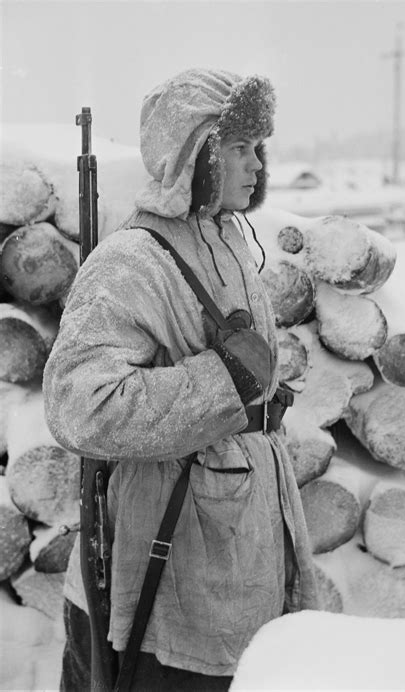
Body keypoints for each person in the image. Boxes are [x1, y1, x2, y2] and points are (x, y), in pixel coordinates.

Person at [43, 68, 318, 691]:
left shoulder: (228, 239)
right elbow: (78, 407)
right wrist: (223, 382)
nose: (256, 164)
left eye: (258, 148)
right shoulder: (130, 260)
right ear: (195, 151)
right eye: (239, 147)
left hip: (235, 548)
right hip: (167, 569)